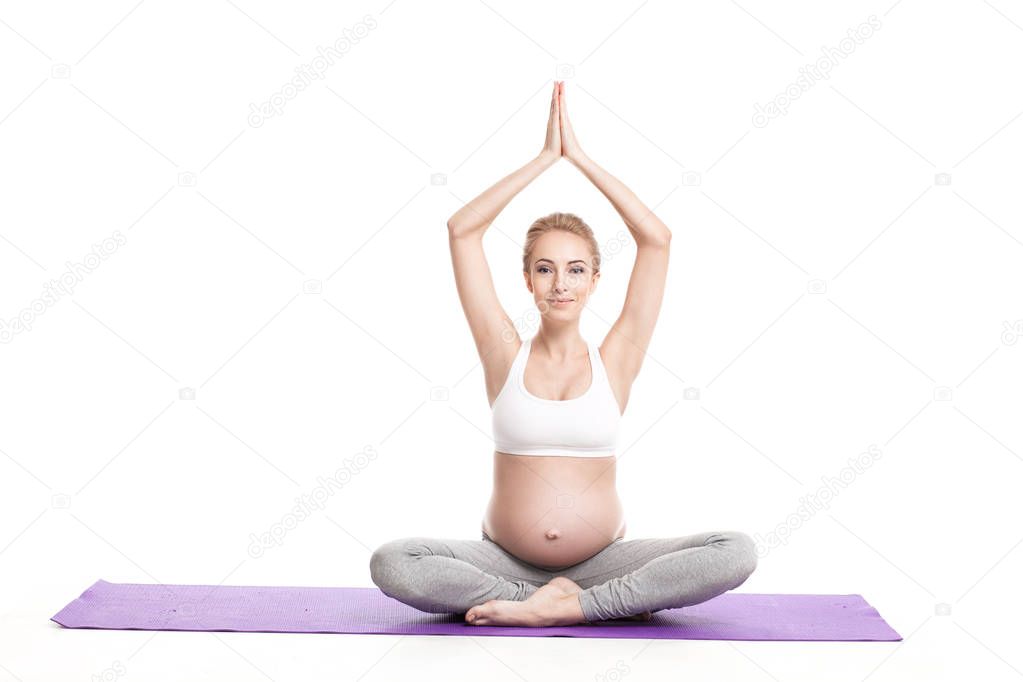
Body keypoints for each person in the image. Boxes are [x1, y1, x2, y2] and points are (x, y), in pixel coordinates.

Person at [369, 81, 757, 627]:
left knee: (734, 549)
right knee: (394, 562)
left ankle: (570, 605)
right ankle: (539, 602)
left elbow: (657, 239)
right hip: (502, 562)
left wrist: (580, 159)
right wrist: (543, 160)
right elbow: (462, 231)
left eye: (576, 269)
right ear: (527, 279)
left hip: (602, 564)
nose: (561, 284)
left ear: (595, 278)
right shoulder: (504, 354)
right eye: (545, 269)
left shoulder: (616, 359)